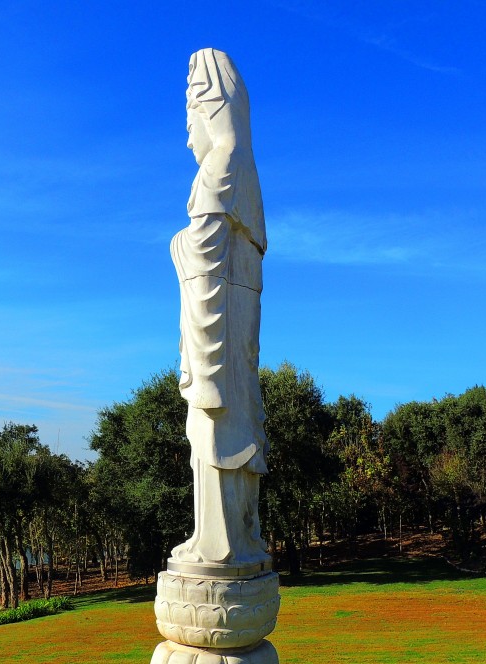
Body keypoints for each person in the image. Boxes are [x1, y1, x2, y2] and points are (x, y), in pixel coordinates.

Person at [169, 49, 270, 569]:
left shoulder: (222, 167)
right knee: (217, 426)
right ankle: (227, 535)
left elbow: (204, 249)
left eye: (190, 120)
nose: (188, 137)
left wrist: (176, 244)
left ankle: (222, 540)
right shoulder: (241, 171)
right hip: (231, 328)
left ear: (212, 111)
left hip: (221, 332)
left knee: (214, 425)